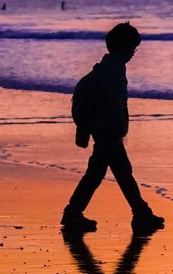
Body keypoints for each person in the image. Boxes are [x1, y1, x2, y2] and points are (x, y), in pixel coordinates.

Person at [62, 22, 165, 234]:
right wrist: (118, 129)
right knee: (100, 173)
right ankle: (73, 213)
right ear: (122, 46)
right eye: (132, 48)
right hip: (108, 131)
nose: (133, 53)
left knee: (119, 172)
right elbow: (114, 102)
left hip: (104, 129)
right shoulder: (114, 70)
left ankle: (141, 212)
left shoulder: (105, 68)